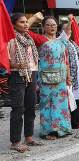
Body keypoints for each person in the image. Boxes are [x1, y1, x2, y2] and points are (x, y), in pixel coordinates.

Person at [7, 13, 43, 152]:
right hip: (17, 75)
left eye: (26, 22)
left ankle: (29, 137)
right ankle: (15, 142)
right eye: (22, 22)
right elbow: (5, 59)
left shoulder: (29, 38)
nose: (26, 24)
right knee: (18, 108)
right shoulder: (10, 39)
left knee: (31, 106)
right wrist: (15, 64)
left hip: (32, 73)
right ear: (14, 24)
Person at [38, 16, 73, 140]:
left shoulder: (61, 40)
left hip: (60, 79)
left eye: (53, 25)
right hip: (45, 78)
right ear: (43, 27)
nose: (52, 27)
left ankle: (61, 129)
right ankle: (47, 131)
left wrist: (70, 21)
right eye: (48, 25)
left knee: (61, 104)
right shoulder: (41, 39)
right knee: (46, 104)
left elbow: (68, 31)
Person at [66, 23, 79, 129]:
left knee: (78, 99)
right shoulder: (63, 43)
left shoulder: (73, 43)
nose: (69, 31)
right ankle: (71, 122)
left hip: (77, 76)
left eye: (70, 30)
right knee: (70, 100)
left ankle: (77, 122)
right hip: (68, 76)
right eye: (67, 29)